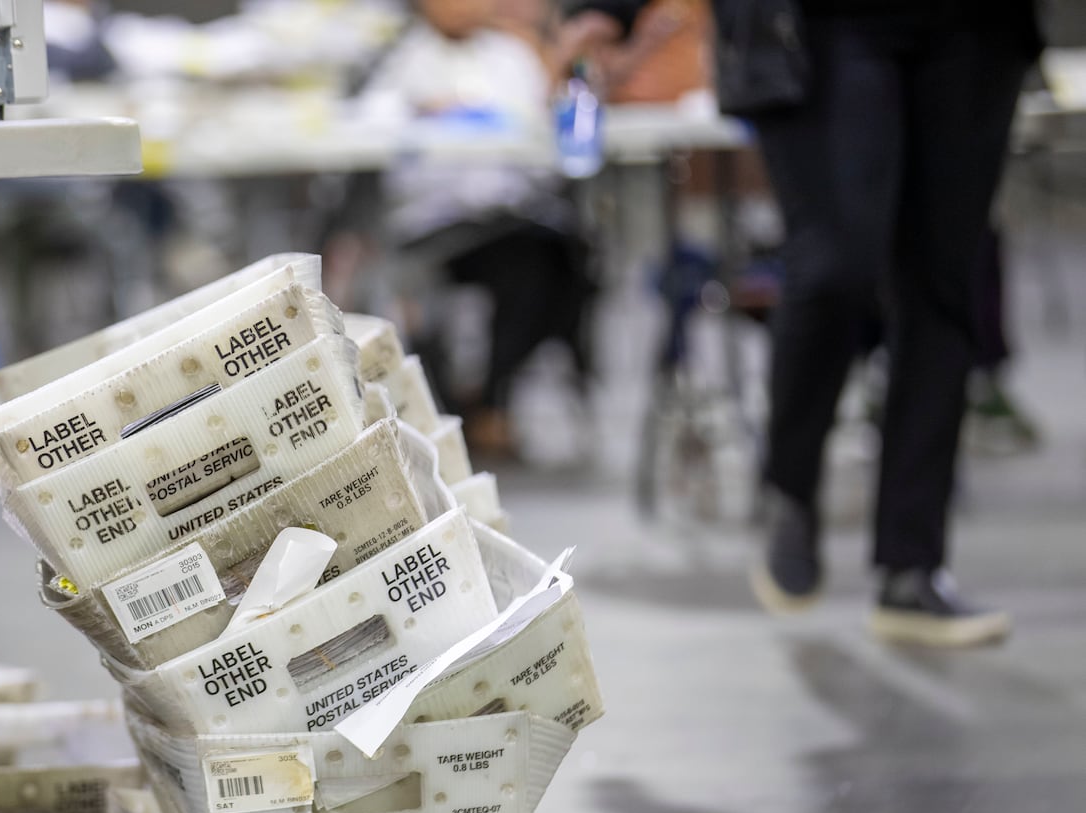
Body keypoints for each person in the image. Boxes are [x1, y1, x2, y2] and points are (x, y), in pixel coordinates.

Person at [561, 0, 1042, 647]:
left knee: (944, 284)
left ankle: (912, 568)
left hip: (972, 27)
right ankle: (790, 482)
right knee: (834, 265)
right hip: (819, 25)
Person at [365, 0, 595, 456]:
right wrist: (428, 114)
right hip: (438, 223)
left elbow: (542, 145)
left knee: (573, 264)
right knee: (528, 268)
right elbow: (372, 130)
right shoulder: (402, 60)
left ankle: (487, 398)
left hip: (513, 214)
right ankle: (487, 404)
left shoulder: (514, 57)